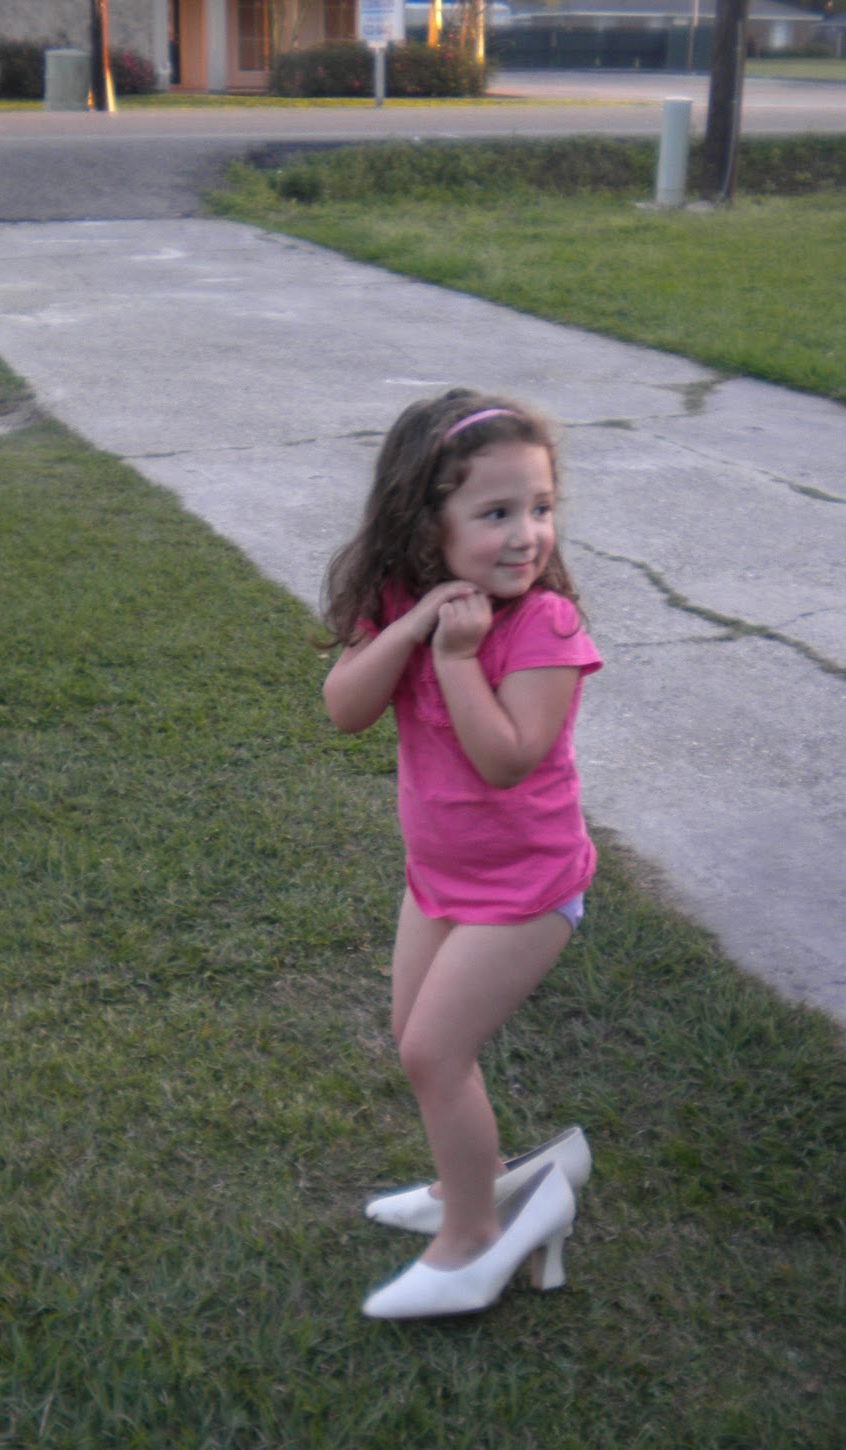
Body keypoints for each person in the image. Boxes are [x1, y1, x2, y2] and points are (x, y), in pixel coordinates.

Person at [322, 388, 603, 1320]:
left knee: (436, 1052)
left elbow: (507, 758)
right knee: (419, 1043)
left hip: (528, 888)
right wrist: (410, 630)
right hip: (439, 880)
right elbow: (345, 709)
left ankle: (475, 1237)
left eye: (540, 507)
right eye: (496, 513)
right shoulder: (406, 603)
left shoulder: (545, 625)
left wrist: (452, 661)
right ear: (424, 521)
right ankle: (475, 1188)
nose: (527, 535)